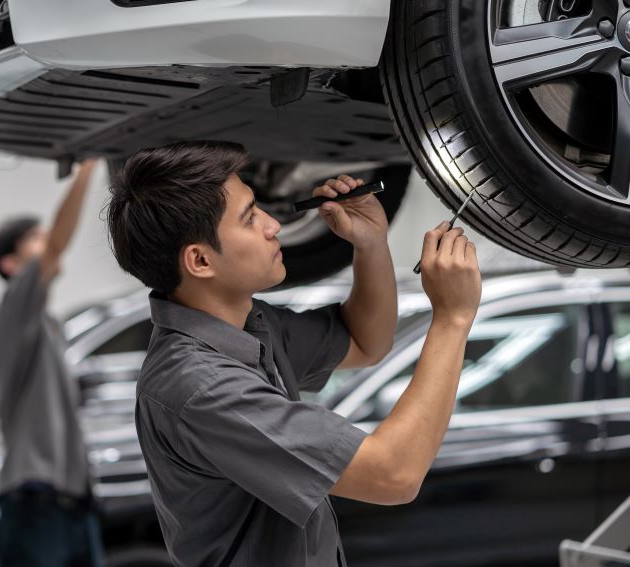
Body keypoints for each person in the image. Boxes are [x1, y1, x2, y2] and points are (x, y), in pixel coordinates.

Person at [105, 141, 482, 567]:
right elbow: (394, 475)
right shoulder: (202, 387)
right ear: (200, 260)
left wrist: (370, 245)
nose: (273, 225)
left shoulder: (248, 325)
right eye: (250, 219)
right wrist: (452, 318)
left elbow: (364, 343)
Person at [0, 159, 103, 567]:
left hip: (71, 502)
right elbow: (57, 248)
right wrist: (87, 168)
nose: (48, 243)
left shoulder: (46, 324)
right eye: (35, 239)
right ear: (11, 265)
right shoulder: (12, 311)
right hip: (36, 502)